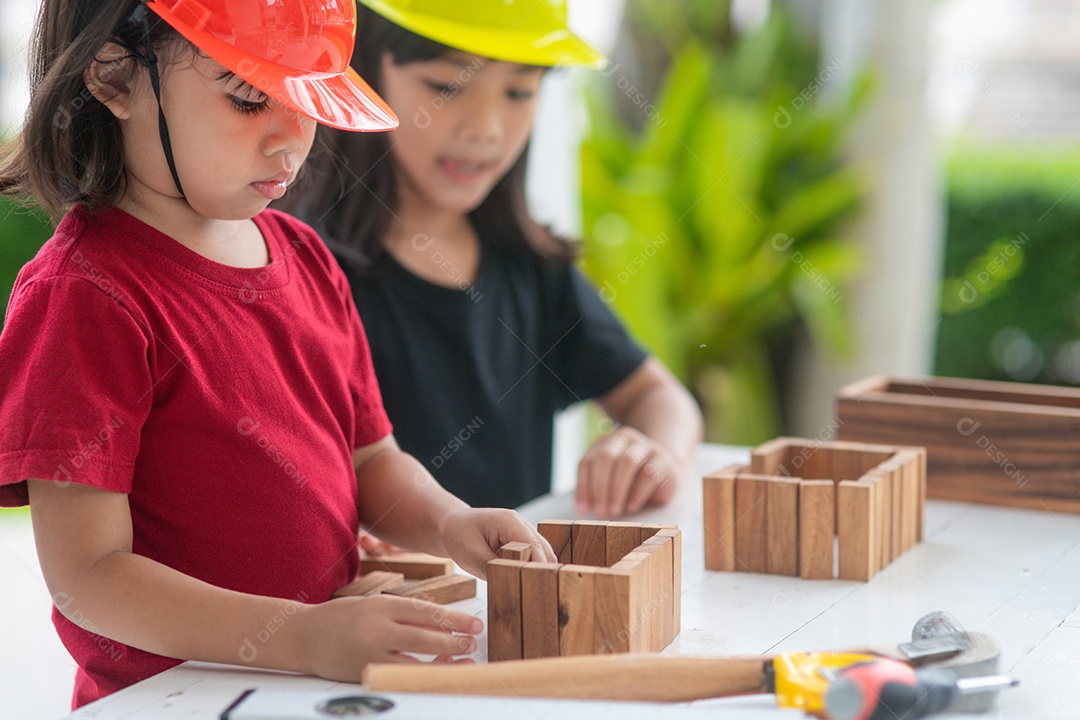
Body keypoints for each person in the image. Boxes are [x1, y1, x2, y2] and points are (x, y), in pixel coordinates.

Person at [0, 0, 554, 709]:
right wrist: (302, 636)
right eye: (249, 98)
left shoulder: (308, 259)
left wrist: (449, 521)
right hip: (176, 698)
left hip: (306, 687)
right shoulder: (83, 297)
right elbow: (90, 576)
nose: (294, 136)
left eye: (307, 96)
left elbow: (373, 462)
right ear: (113, 78)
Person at [285, 0, 703, 516]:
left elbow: (660, 398)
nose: (486, 127)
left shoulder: (530, 266)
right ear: (362, 70)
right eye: (446, 87)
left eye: (519, 92)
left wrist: (653, 452)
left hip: (515, 594)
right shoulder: (296, 271)